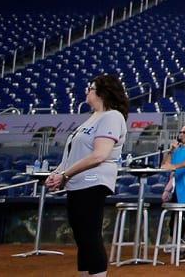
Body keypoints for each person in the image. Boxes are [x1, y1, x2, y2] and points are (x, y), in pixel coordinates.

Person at [46, 75, 128, 277]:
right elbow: (74, 153)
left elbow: (99, 155)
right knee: (82, 238)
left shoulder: (111, 116)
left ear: (102, 92)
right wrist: (58, 172)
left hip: (93, 182)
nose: (87, 91)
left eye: (90, 88)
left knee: (90, 237)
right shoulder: (93, 117)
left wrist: (64, 174)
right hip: (77, 182)